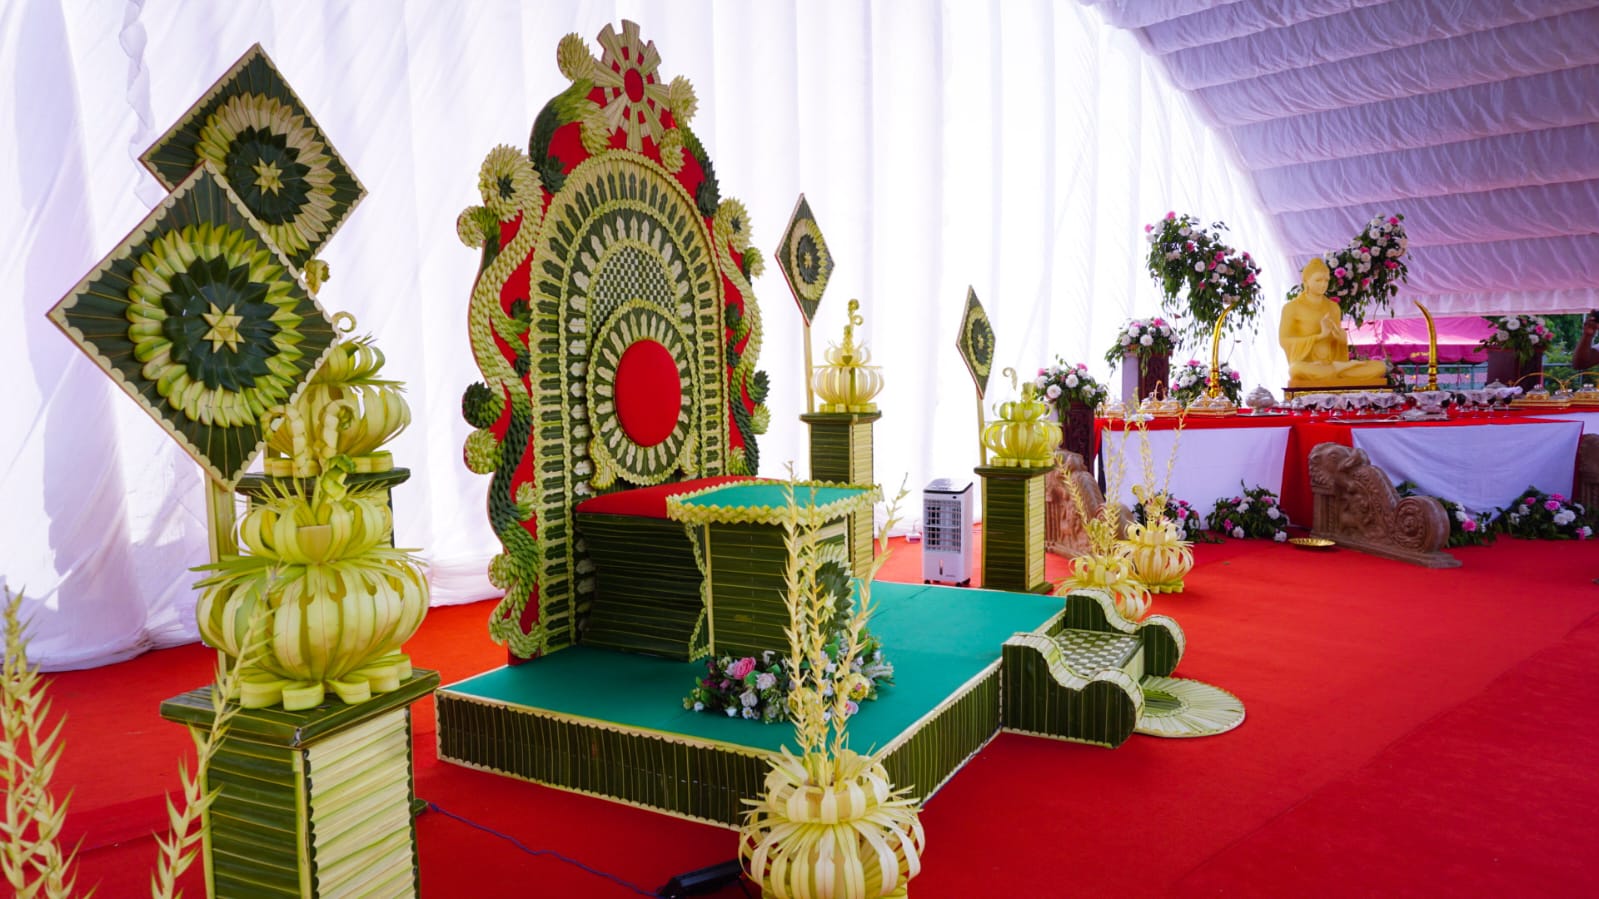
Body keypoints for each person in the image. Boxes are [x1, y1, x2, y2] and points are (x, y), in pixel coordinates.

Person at [1279, 257, 1389, 388]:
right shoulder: (1292, 308)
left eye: (1326, 280)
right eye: (1318, 280)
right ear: (1306, 281)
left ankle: (1337, 370)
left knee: (1379, 367)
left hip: (1332, 362)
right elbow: (1284, 340)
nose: (1323, 284)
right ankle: (1337, 370)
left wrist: (1341, 339)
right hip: (1310, 365)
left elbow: (1337, 344)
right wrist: (1319, 337)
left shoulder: (1333, 307)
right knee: (1296, 369)